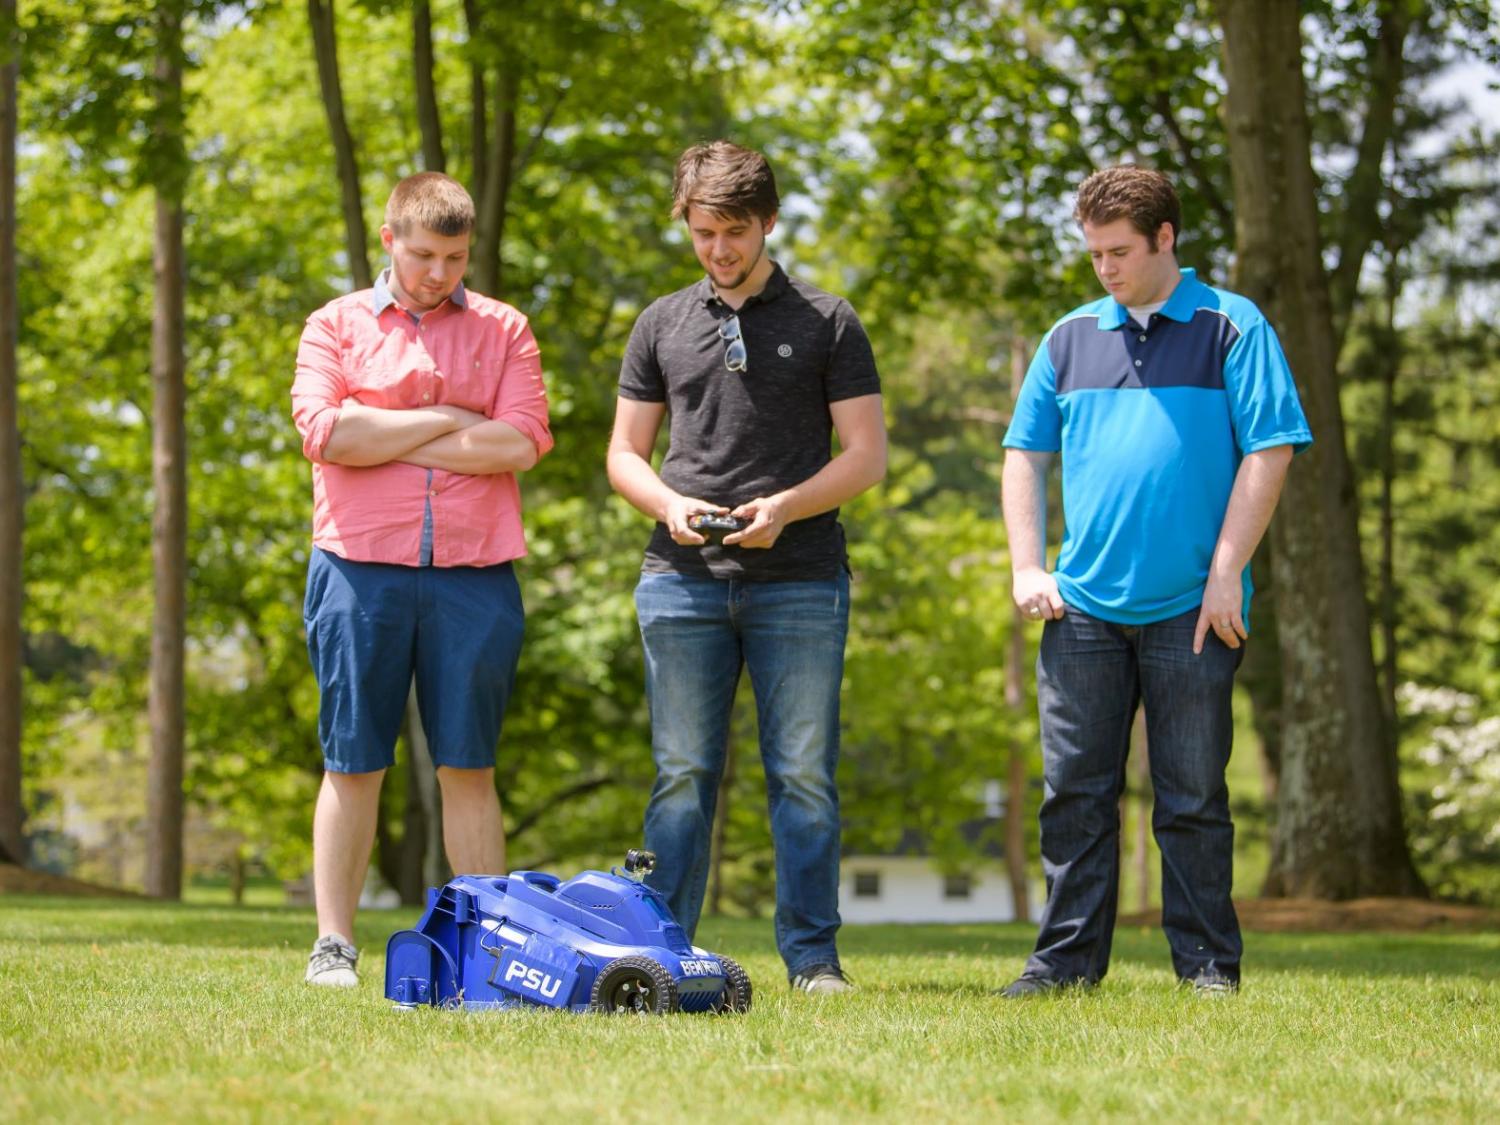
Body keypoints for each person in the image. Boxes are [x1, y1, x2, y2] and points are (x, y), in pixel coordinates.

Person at [999, 165, 1311, 996]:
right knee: (1074, 797)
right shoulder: (1069, 336)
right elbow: (1023, 453)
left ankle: (1207, 966)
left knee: (1193, 800)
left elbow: (1269, 449)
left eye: (1120, 251)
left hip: (1195, 611)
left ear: (1166, 238)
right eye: (1094, 252)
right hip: (1084, 608)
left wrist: (1226, 576)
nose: (1105, 267)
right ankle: (1063, 966)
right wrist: (1028, 565)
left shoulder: (1231, 326)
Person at [606, 141, 886, 994]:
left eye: (734, 232)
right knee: (682, 774)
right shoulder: (659, 322)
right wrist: (668, 507)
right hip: (679, 580)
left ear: (768, 221)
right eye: (702, 233)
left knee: (802, 773)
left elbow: (867, 456)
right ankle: (663, 951)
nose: (718, 249)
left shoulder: (829, 320)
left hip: (800, 577)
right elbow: (624, 454)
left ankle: (813, 960)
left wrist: (786, 508)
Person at [291, 172, 552, 986]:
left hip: (475, 572)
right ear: (388, 237)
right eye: (426, 254)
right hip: (356, 566)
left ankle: (487, 945)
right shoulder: (334, 325)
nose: (440, 272)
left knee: (469, 764)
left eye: (455, 256)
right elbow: (327, 431)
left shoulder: (505, 330)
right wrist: (450, 420)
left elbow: (520, 442)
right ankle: (334, 943)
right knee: (352, 759)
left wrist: (388, 434)